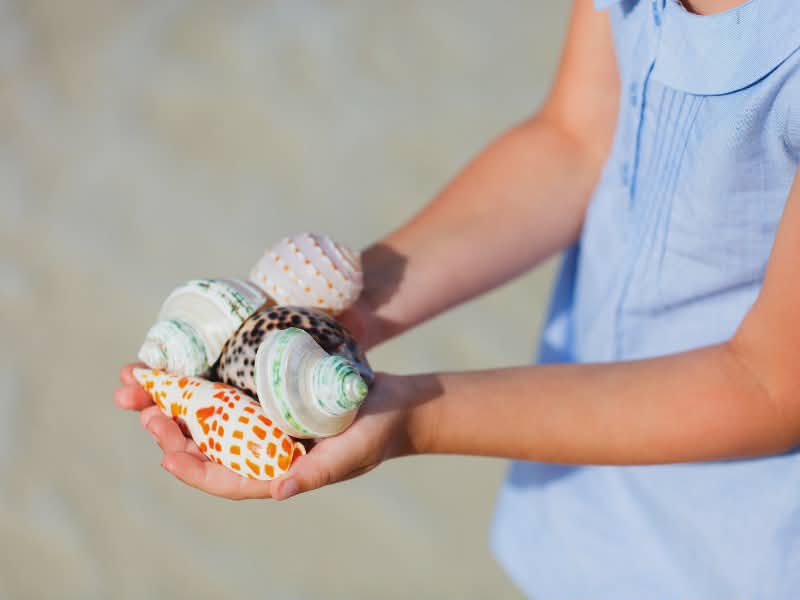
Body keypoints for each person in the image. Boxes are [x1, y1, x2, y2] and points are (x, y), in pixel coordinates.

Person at [114, 0, 800, 597]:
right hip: (581, 517)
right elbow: (574, 144)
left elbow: (770, 384)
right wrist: (332, 314)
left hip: (734, 559)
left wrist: (415, 416)